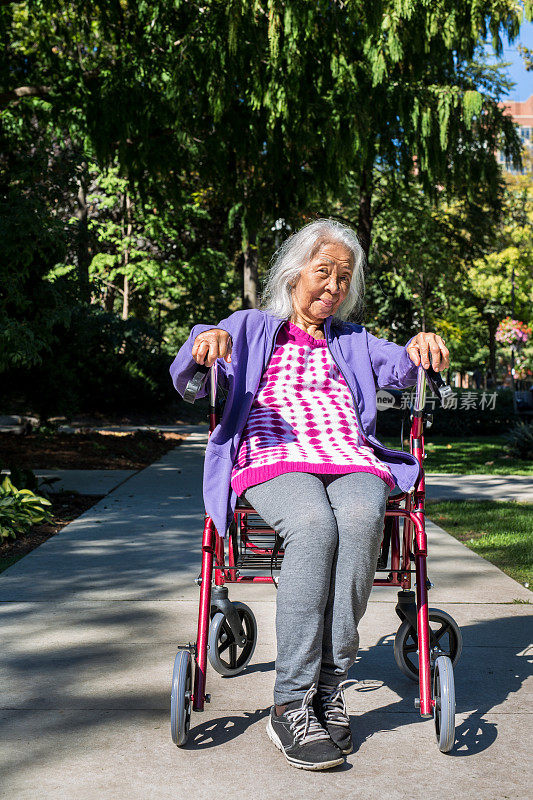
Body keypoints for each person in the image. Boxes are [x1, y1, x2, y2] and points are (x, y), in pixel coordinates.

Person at [169, 219, 449, 770]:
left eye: (344, 279)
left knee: (365, 516)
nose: (333, 288)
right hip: (273, 456)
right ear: (294, 272)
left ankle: (328, 685)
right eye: (323, 273)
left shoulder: (353, 340)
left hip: (350, 457)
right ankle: (290, 701)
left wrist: (422, 345)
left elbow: (407, 366)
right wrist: (206, 342)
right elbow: (198, 365)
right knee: (314, 527)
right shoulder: (251, 326)